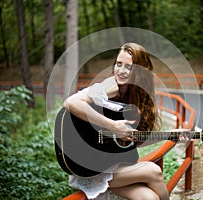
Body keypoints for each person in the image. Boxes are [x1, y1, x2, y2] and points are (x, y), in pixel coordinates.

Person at [63, 43, 170, 200]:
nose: (121, 71)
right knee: (154, 171)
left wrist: (172, 135)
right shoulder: (111, 86)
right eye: (118, 64)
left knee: (150, 198)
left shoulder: (137, 96)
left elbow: (131, 141)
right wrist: (113, 126)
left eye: (128, 67)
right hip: (92, 166)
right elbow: (71, 103)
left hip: (112, 162)